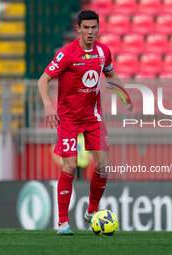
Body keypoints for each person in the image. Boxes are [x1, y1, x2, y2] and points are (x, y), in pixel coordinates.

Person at [38, 10, 131, 235]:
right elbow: (44, 79)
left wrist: (123, 95)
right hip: (68, 118)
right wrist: (48, 106)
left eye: (93, 27)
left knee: (103, 165)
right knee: (69, 166)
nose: (90, 32)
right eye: (86, 28)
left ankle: (91, 211)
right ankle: (62, 222)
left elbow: (110, 74)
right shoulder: (67, 54)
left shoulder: (103, 52)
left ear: (98, 28)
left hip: (93, 116)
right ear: (78, 29)